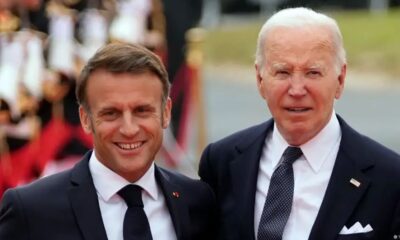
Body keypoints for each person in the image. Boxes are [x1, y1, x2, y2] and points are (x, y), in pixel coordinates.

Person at [198, 7, 400, 240]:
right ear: (260, 79)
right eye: (282, 72)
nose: (296, 89)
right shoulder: (222, 162)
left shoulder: (390, 178)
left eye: (313, 73)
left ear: (340, 79)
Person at [0, 42, 217, 240]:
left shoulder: (196, 201)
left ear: (166, 113)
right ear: (85, 119)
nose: (129, 129)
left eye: (142, 111)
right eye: (111, 113)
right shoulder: (31, 210)